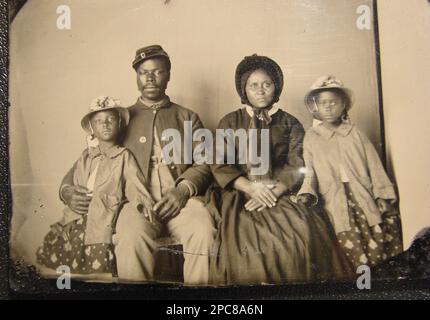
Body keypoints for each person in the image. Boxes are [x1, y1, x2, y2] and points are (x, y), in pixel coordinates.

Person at [59, 45, 216, 285]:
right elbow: (89, 159)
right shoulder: (120, 118)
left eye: (158, 71)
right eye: (144, 72)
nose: (150, 78)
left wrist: (182, 190)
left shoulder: (187, 117)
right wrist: (67, 191)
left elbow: (205, 162)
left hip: (180, 201)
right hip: (133, 203)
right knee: (131, 237)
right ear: (137, 77)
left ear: (168, 75)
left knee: (203, 229)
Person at [207, 55, 352, 285]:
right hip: (240, 192)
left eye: (267, 84)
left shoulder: (290, 123)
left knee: (300, 231)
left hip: (278, 192)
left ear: (277, 86)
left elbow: (296, 163)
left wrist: (273, 191)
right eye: (253, 85)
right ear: (244, 90)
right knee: (243, 240)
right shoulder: (230, 122)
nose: (261, 91)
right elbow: (220, 164)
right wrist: (251, 188)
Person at [37, 96, 154, 276]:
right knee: (66, 254)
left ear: (120, 124)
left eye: (110, 120)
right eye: (99, 121)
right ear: (92, 129)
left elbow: (133, 182)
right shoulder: (86, 156)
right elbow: (74, 181)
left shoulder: (123, 156)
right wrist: (70, 195)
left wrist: (142, 202)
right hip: (79, 215)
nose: (105, 124)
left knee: (97, 262)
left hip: (103, 214)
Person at [297, 75, 403, 269]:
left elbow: (374, 166)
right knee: (347, 244)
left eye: (333, 102)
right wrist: (306, 193)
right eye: (323, 103)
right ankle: (361, 284)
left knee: (379, 236)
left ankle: (379, 284)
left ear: (343, 105)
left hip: (362, 194)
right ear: (316, 107)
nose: (328, 107)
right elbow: (310, 171)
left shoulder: (355, 133)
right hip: (334, 198)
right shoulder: (312, 137)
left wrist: (382, 195)